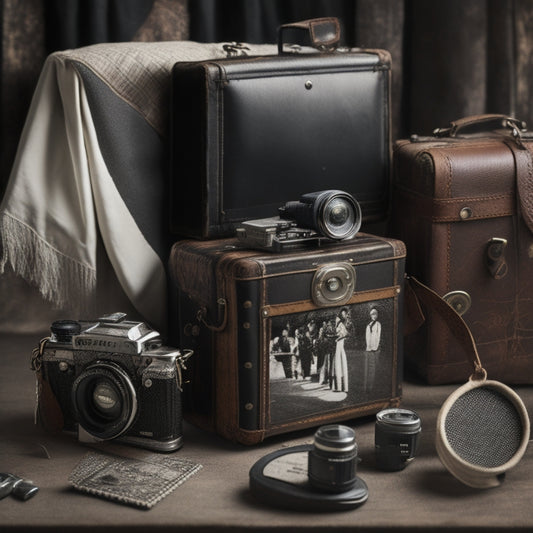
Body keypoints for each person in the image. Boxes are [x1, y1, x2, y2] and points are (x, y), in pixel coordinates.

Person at [331, 308, 349, 392]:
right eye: (341, 314)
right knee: (338, 366)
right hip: (337, 346)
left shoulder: (343, 324)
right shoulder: (338, 324)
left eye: (344, 314)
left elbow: (346, 334)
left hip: (341, 346)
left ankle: (344, 387)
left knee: (342, 366)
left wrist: (339, 338)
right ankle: (338, 387)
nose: (342, 316)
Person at [364, 308, 382, 393]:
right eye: (372, 314)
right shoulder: (368, 325)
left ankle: (374, 386)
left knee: (376, 367)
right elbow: (367, 337)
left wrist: (375, 346)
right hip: (369, 349)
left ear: (377, 315)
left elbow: (378, 336)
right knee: (370, 368)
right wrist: (369, 346)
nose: (373, 316)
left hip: (376, 348)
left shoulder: (378, 324)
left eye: (375, 314)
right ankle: (368, 387)